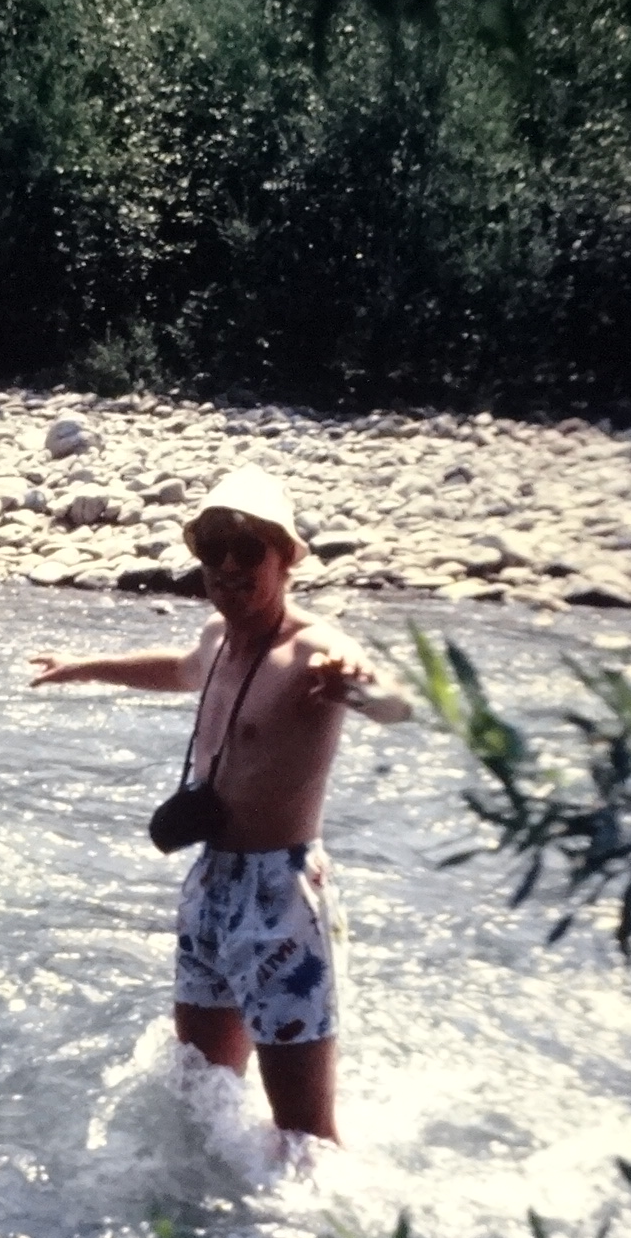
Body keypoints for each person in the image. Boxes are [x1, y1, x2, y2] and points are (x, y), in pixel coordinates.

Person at [29, 465, 412, 1147]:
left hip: (284, 898)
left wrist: (357, 686)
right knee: (201, 1095)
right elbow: (178, 669)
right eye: (218, 579)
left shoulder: (317, 650)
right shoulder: (215, 639)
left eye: (248, 579)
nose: (232, 595)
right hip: (210, 889)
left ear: (285, 560)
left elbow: (395, 706)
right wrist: (83, 666)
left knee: (305, 1132)